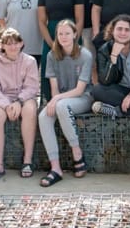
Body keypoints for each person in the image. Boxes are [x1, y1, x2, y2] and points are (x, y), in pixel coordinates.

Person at [38, 20, 93, 187]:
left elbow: (79, 90)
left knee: (61, 106)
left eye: (67, 33)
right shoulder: (52, 55)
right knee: (43, 116)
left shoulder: (85, 55)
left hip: (83, 98)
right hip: (61, 99)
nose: (63, 37)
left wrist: (56, 100)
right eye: (60, 33)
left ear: (75, 34)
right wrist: (55, 99)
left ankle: (77, 152)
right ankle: (55, 168)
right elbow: (54, 88)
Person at [0, 28, 40, 183]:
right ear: (2, 45)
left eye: (16, 43)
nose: (13, 47)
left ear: (21, 43)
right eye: (9, 44)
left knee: (30, 110)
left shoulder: (30, 61)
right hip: (1, 98)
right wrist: (6, 104)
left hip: (23, 97)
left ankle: (27, 161)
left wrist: (19, 101)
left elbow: (32, 87)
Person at [38, 0, 84, 101]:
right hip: (51, 34)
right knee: (49, 65)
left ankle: (73, 100)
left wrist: (74, 40)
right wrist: (51, 43)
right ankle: (48, 100)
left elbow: (79, 20)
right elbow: (41, 21)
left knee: (73, 67)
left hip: (71, 34)